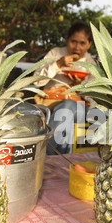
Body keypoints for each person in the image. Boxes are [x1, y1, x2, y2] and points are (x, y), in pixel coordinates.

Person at [32, 22, 96, 155]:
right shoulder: (55, 53)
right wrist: (58, 64)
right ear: (67, 40)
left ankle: (45, 155)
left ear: (89, 44)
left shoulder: (90, 63)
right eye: (73, 41)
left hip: (78, 108)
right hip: (50, 102)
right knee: (65, 120)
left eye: (82, 43)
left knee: (67, 108)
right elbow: (37, 81)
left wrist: (81, 86)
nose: (77, 47)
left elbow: (94, 99)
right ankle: (63, 160)